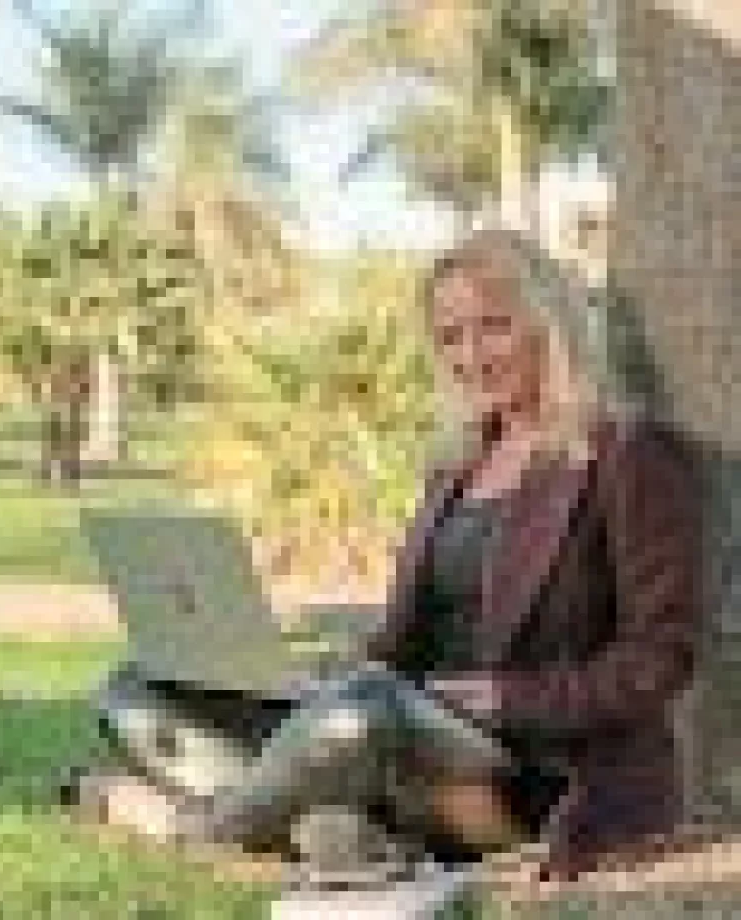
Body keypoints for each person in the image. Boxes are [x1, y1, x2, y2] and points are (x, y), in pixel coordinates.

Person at [166, 219, 705, 886]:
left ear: (551, 325)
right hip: (419, 726)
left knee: (355, 718)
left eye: (494, 327)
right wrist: (325, 670)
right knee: (144, 689)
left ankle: (217, 828)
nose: (471, 355)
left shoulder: (627, 453)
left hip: (539, 766)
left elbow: (662, 658)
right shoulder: (456, 466)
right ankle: (338, 826)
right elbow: (410, 642)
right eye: (451, 337)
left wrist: (506, 698)